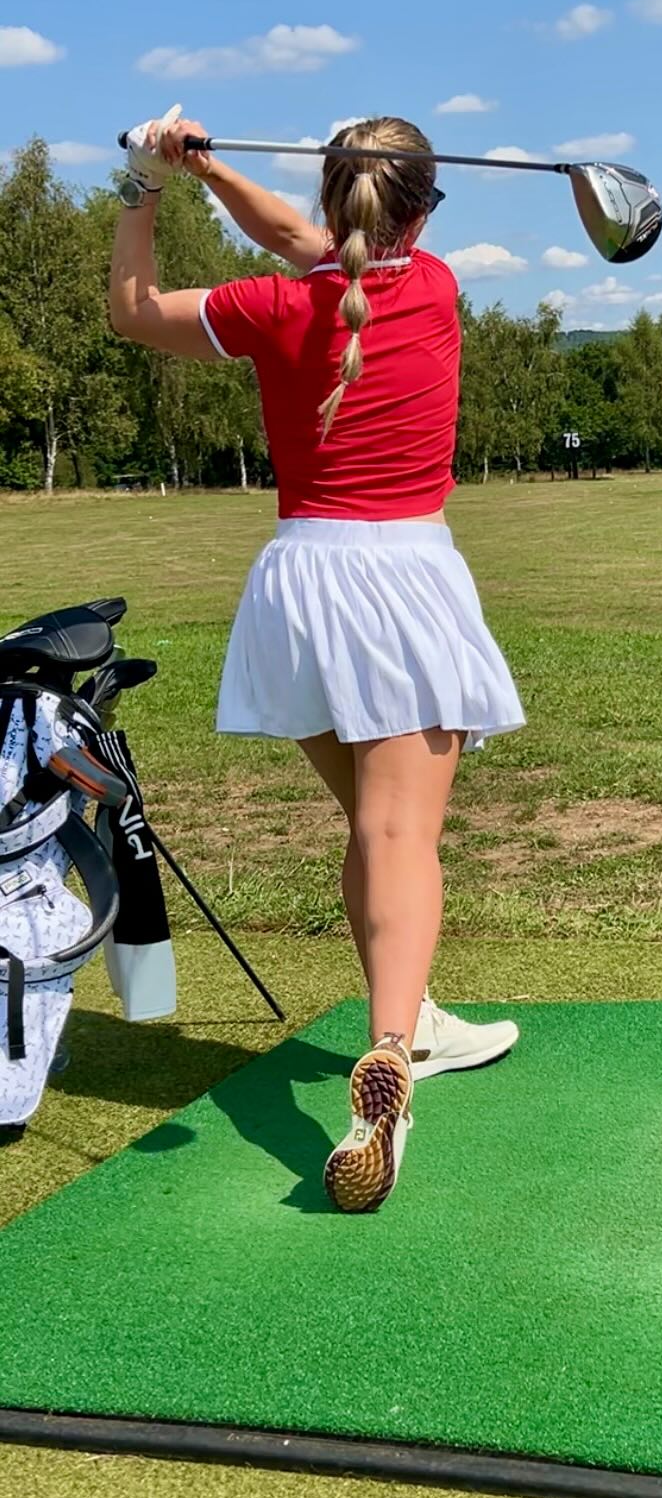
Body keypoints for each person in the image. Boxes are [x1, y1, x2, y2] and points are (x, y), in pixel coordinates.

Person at [108, 106, 525, 1213]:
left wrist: (155, 185)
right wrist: (205, 175)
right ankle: (390, 1053)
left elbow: (137, 311)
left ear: (336, 197)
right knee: (400, 833)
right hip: (401, 577)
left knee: (370, 828)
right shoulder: (428, 288)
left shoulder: (273, 303)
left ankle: (419, 1016)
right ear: (421, 208)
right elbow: (309, 241)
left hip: (297, 585)